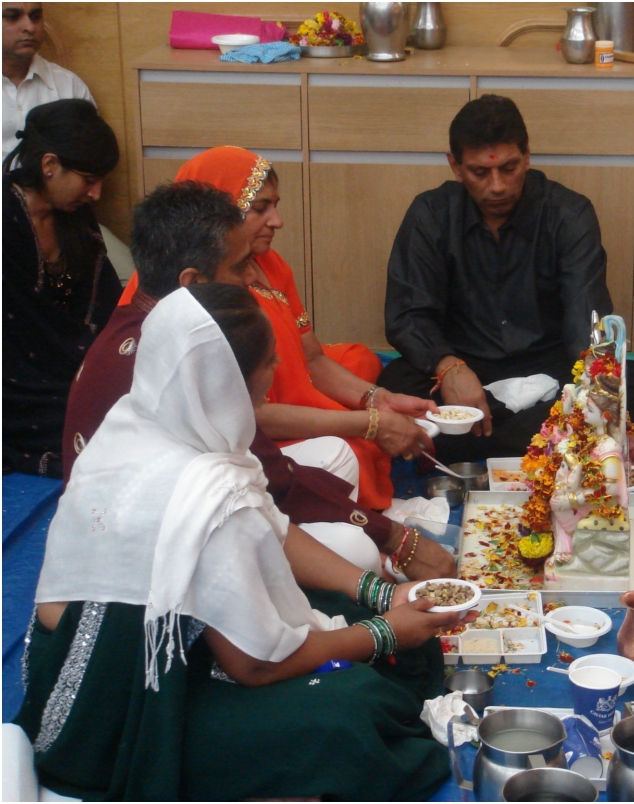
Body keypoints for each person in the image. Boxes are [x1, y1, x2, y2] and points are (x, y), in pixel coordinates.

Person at [17, 283, 466, 800]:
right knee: (353, 716)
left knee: (344, 609)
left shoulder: (142, 420)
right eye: (270, 361)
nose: (278, 370)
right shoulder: (206, 488)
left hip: (131, 648)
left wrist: (380, 594)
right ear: (230, 378)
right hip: (116, 707)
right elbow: (255, 665)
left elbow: (271, 524)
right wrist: (385, 632)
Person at [66, 180, 455, 581]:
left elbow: (266, 461)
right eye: (239, 267)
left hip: (197, 495)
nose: (252, 276)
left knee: (335, 458)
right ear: (193, 283)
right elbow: (271, 476)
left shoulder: (145, 321)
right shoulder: (179, 360)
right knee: (355, 550)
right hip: (150, 555)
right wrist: (392, 537)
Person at [120, 146, 435, 510]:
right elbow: (244, 415)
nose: (277, 221)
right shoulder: (190, 290)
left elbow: (310, 357)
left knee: (360, 360)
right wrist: (370, 424)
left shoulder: (269, 262)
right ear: (218, 214)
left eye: (275, 205)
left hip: (268, 400)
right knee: (349, 455)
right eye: (260, 208)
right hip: (235, 434)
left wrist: (378, 400)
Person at [380, 94, 634, 465]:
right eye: (480, 173)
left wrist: (600, 396)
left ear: (527, 156)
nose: (497, 186)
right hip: (464, 368)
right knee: (396, 385)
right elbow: (407, 315)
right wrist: (448, 366)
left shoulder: (568, 213)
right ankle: (570, 435)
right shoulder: (431, 214)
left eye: (509, 168)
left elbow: (586, 323)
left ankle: (483, 439)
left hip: (552, 368)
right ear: (455, 166)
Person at [2, 98, 119, 477]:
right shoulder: (5, 218)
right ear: (49, 165)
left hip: (70, 369)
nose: (96, 193)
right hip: (13, 386)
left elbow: (103, 305)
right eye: (89, 180)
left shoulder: (76, 219)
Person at [2, 3, 93, 160]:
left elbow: (91, 160)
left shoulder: (69, 87)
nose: (30, 27)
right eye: (12, 17)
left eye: (35, 17)